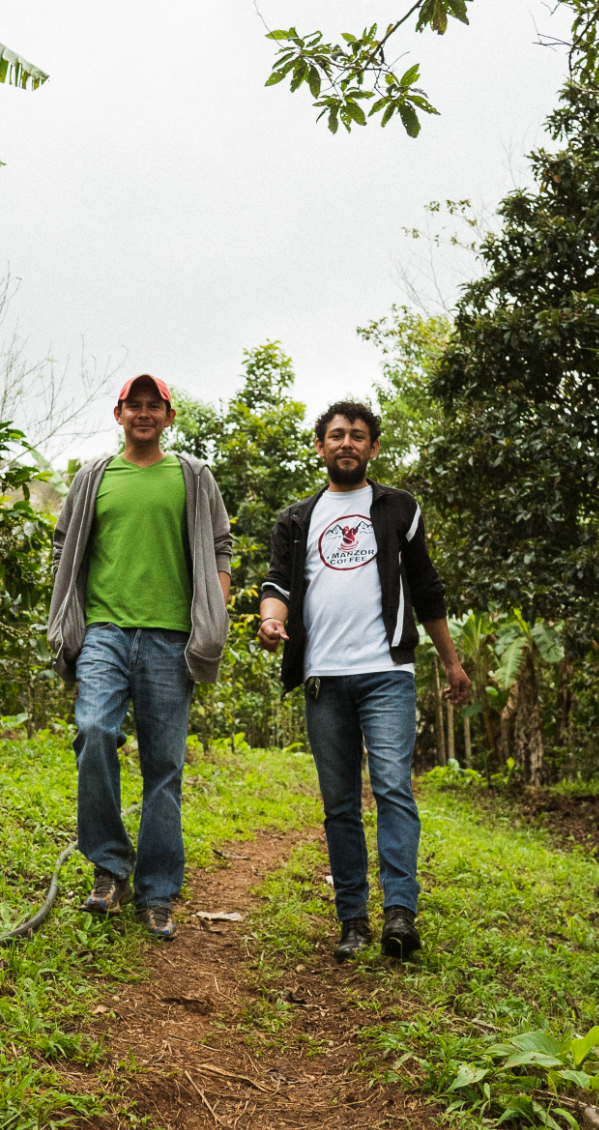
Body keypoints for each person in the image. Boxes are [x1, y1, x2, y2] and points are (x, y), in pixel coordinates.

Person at [257, 399, 472, 961]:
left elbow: (427, 588)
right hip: (323, 677)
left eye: (357, 435)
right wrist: (270, 619)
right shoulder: (297, 518)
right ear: (320, 446)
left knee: (394, 789)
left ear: (373, 448)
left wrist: (451, 661)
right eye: (336, 435)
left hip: (387, 673)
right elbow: (277, 582)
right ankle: (352, 920)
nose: (346, 443)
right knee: (339, 803)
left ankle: (400, 911)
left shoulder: (399, 507)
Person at [48, 373, 234, 941]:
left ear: (170, 417)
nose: (145, 414)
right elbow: (65, 544)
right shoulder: (94, 477)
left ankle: (157, 891)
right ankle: (109, 867)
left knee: (163, 767)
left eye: (156, 406)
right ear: (118, 413)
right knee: (95, 731)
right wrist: (66, 613)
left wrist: (214, 617)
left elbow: (221, 548)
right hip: (104, 630)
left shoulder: (194, 477)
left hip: (170, 638)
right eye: (136, 405)